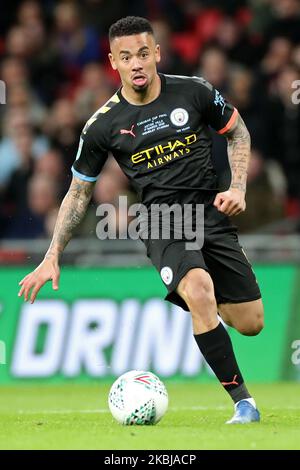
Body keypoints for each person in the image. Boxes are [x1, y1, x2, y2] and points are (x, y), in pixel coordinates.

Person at [18, 16, 264, 424]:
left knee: (251, 323)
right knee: (200, 290)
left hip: (210, 215)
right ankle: (243, 402)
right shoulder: (102, 125)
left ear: (158, 54)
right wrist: (52, 253)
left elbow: (238, 133)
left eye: (144, 54)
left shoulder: (195, 91)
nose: (137, 63)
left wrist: (237, 187)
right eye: (127, 56)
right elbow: (78, 192)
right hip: (162, 221)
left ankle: (203, 302)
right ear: (113, 61)